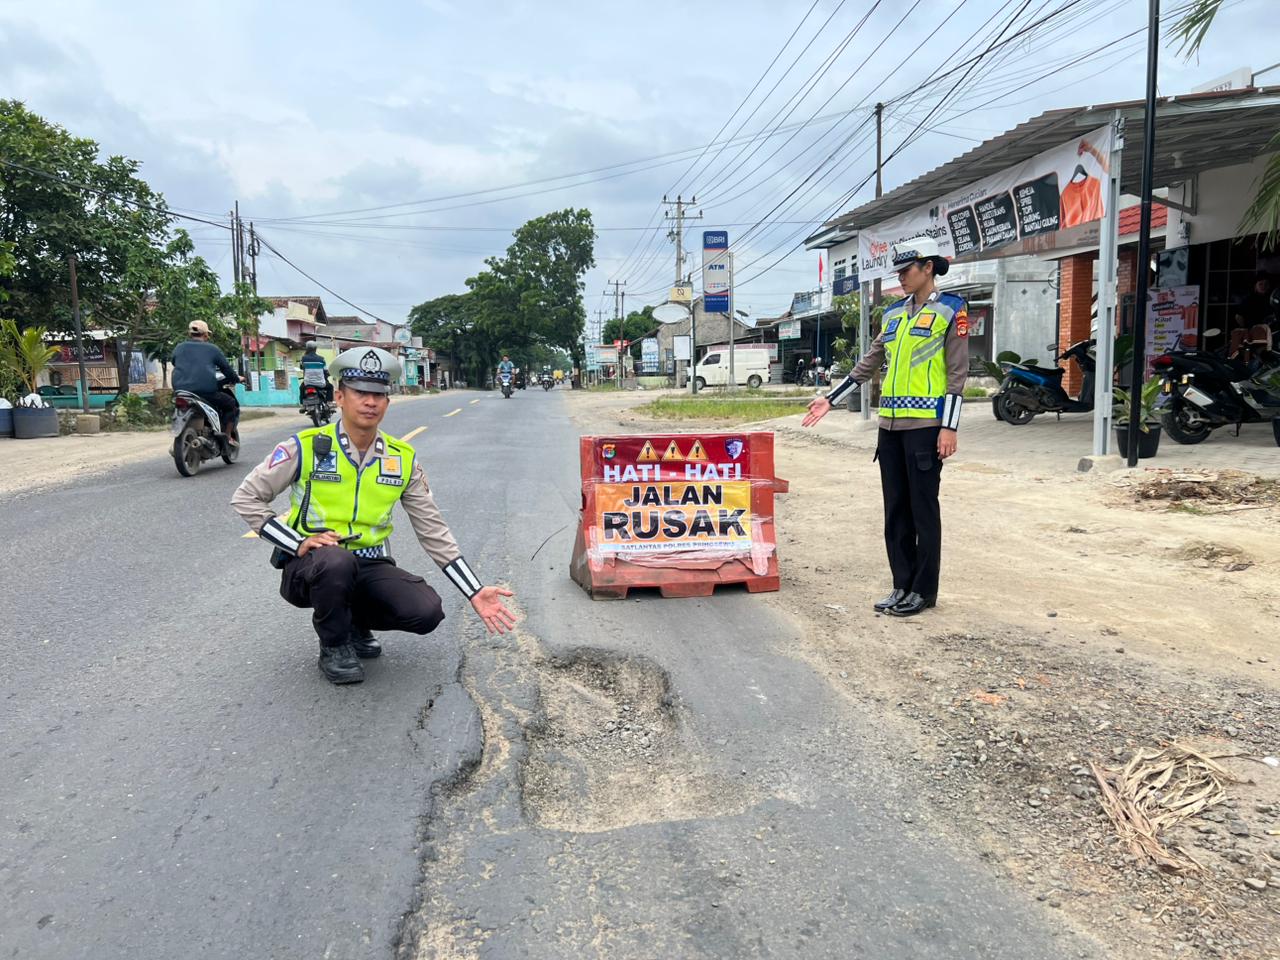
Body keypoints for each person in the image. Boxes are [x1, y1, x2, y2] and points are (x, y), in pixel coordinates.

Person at [231, 346, 517, 684]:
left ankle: (354, 621)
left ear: (387, 402)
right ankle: (334, 645)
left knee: (426, 611)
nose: (370, 402)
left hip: (369, 563)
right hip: (312, 567)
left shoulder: (401, 458)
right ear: (339, 396)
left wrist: (474, 590)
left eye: (378, 394)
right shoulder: (306, 447)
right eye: (360, 392)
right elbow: (246, 498)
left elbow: (433, 530)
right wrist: (296, 542)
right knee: (335, 562)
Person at [801, 236, 969, 618]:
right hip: (889, 430)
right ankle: (901, 584)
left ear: (928, 267)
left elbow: (958, 374)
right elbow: (869, 362)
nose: (901, 277)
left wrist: (949, 427)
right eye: (898, 272)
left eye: (907, 270)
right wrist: (831, 399)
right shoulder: (894, 314)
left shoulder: (951, 310)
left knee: (923, 512)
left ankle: (923, 591)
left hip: (926, 428)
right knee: (895, 512)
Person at [172, 320, 240, 440]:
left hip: (181, 392)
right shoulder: (212, 349)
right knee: (231, 404)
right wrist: (236, 378)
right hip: (205, 393)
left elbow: (174, 362)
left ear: (190, 334)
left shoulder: (179, 348)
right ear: (206, 335)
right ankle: (227, 436)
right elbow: (227, 369)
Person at [298, 340, 331, 407]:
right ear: (315, 349)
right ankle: (329, 402)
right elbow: (325, 370)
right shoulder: (321, 359)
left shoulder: (304, 358)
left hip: (308, 383)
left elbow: (301, 367)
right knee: (330, 387)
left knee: (301, 388)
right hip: (321, 383)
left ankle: (302, 404)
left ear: (307, 348)